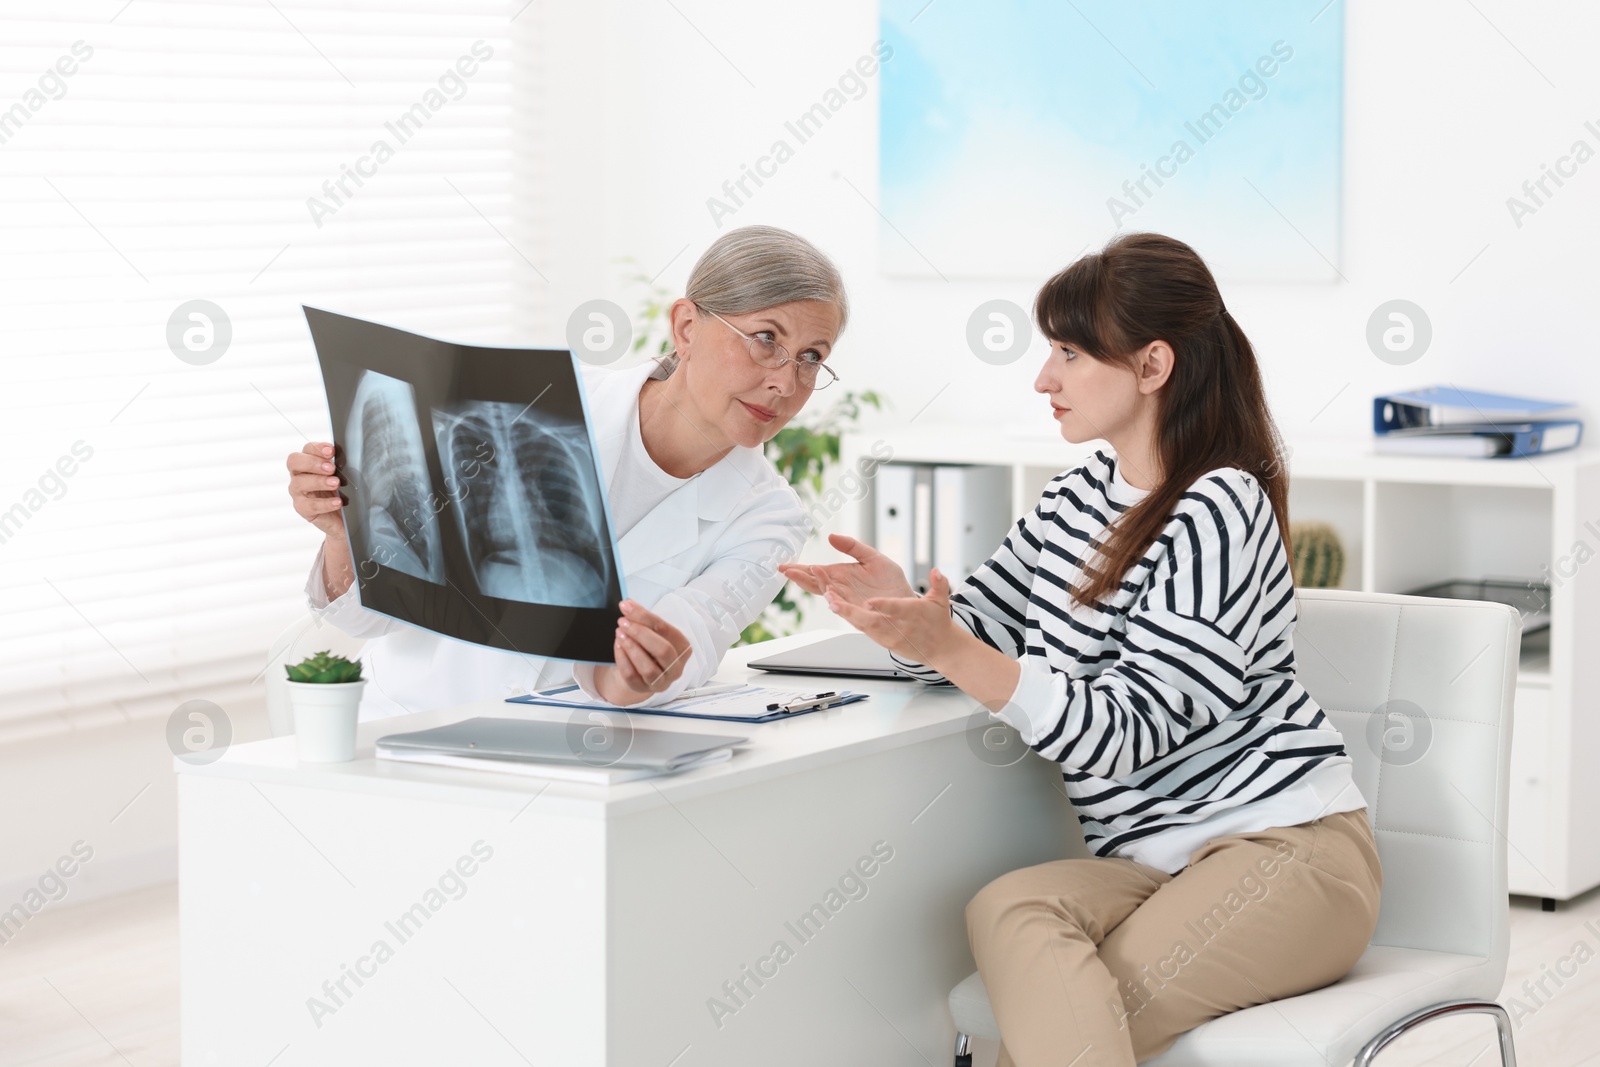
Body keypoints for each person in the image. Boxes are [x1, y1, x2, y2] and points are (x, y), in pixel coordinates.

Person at [781, 233, 1380, 1067]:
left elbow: (1128, 730)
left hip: (1288, 854)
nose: (1043, 378)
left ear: (1153, 365)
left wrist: (950, 644)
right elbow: (974, 630)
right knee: (1009, 910)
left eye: (1067, 352)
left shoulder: (1219, 505)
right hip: (1159, 866)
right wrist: (904, 612)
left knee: (1058, 1027)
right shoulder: (1074, 499)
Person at [286, 225, 847, 721]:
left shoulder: (769, 516)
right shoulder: (528, 406)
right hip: (403, 726)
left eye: (812, 356)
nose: (786, 382)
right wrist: (346, 536)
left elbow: (687, 643)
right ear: (686, 327)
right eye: (766, 339)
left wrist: (637, 675)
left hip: (561, 758)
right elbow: (369, 620)